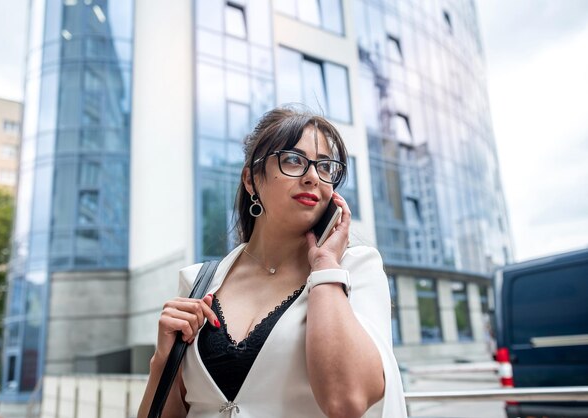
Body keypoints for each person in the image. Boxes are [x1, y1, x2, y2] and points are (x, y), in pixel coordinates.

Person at [138, 107, 407, 417]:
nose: (312, 177)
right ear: (251, 179)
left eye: (324, 167)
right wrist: (162, 361)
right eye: (293, 160)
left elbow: (346, 401)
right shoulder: (198, 282)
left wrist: (324, 267)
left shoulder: (354, 270)